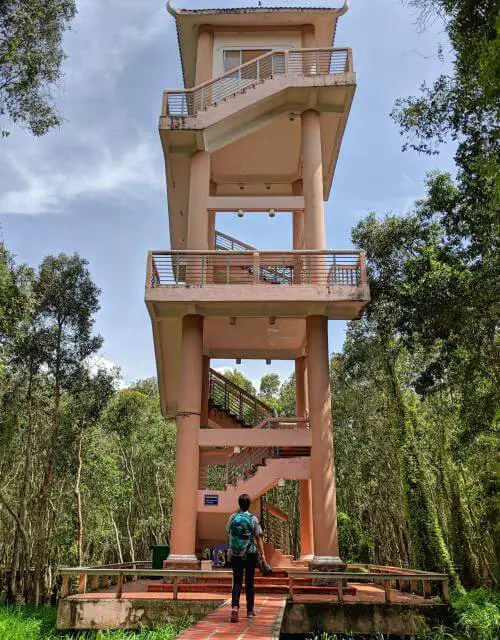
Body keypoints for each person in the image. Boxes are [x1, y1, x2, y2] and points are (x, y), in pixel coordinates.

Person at [226, 493, 267, 623]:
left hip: (236, 554)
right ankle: (249, 611)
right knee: (249, 582)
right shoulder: (253, 519)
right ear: (249, 504)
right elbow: (258, 537)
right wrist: (263, 555)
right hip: (250, 553)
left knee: (237, 581)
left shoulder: (232, 517)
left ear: (239, 504)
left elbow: (228, 532)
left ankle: (235, 608)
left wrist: (231, 548)